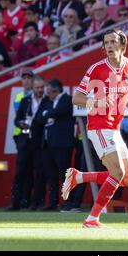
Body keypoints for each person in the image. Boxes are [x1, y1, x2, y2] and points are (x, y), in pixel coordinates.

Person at [65, 29, 128, 227]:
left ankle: (80, 176)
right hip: (99, 127)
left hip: (115, 128)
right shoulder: (96, 69)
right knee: (117, 173)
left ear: (122, 46)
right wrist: (97, 100)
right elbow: (77, 98)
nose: (109, 45)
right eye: (106, 42)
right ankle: (92, 219)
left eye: (113, 42)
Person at [8, 75, 49, 211]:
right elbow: (16, 120)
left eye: (41, 87)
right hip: (24, 141)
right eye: (37, 88)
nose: (39, 90)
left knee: (39, 173)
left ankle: (37, 203)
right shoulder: (25, 101)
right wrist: (20, 124)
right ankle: (15, 203)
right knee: (20, 172)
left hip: (40, 143)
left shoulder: (48, 101)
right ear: (32, 88)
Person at [39, 78, 75, 211]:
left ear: (54, 90)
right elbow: (39, 118)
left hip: (62, 144)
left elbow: (58, 112)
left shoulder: (67, 99)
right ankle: (53, 202)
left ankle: (68, 201)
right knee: (51, 174)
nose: (46, 94)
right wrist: (47, 114)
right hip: (48, 144)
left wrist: (47, 114)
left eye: (48, 91)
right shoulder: (48, 102)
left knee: (64, 174)